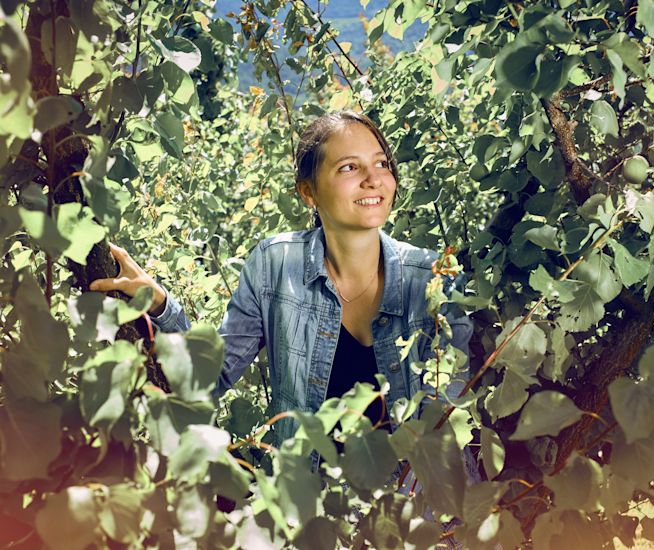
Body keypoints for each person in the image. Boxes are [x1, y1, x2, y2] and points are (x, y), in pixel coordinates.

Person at [89, 111, 474, 471]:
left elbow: (446, 425)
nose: (374, 179)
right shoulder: (276, 266)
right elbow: (214, 373)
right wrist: (159, 304)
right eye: (349, 167)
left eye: (382, 164)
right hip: (313, 512)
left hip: (421, 519)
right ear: (309, 192)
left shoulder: (434, 280)